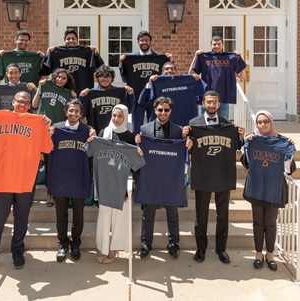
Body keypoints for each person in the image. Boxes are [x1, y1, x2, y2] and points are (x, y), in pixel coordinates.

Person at [0, 91, 52, 277]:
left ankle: (17, 251)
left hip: (25, 179)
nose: (23, 105)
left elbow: (47, 148)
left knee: (21, 219)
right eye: (20, 101)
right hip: (2, 179)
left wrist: (46, 127)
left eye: (26, 102)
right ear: (13, 102)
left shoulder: (36, 122)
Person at [183, 90, 245, 264]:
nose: (211, 105)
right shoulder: (193, 124)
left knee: (223, 215)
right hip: (202, 175)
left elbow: (237, 147)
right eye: (208, 102)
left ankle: (221, 249)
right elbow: (187, 149)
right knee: (200, 216)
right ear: (203, 103)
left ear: (219, 105)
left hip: (223, 175)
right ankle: (201, 249)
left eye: (214, 102)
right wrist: (185, 139)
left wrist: (240, 136)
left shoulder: (227, 125)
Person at [134, 96, 192, 259]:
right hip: (151, 178)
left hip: (170, 178)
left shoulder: (178, 130)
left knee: (172, 212)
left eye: (166, 110)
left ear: (170, 111)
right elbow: (138, 153)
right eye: (160, 110)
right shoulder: (144, 130)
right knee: (148, 212)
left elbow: (183, 153)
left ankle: (173, 243)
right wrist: (138, 145)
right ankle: (146, 243)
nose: (163, 113)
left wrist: (188, 146)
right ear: (154, 110)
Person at [242, 110, 296, 271]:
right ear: (256, 124)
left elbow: (289, 170)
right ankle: (258, 253)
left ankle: (270, 253)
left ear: (271, 122)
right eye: (259, 122)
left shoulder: (283, 142)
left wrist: (290, 151)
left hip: (274, 187)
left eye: (266, 121)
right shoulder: (252, 140)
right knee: (258, 222)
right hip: (256, 186)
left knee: (271, 222)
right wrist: (246, 144)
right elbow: (246, 163)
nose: (263, 125)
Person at [47, 99, 95, 262]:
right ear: (66, 112)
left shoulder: (88, 131)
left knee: (78, 215)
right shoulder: (56, 129)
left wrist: (93, 138)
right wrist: (47, 134)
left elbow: (93, 153)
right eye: (71, 111)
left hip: (79, 177)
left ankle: (75, 244)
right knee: (61, 214)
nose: (73, 114)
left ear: (81, 114)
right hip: (60, 177)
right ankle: (62, 244)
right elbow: (46, 149)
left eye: (77, 111)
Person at [92, 104, 136, 264]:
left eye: (120, 116)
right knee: (103, 217)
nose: (116, 119)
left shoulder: (130, 137)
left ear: (125, 117)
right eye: (114, 116)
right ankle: (101, 247)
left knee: (119, 218)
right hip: (105, 182)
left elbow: (133, 163)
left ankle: (113, 248)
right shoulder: (104, 132)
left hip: (121, 183)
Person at [32, 68, 77, 207]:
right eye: (58, 77)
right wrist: (39, 87)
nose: (60, 80)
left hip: (55, 131)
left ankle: (51, 194)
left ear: (67, 81)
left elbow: (74, 111)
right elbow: (34, 105)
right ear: (54, 77)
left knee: (51, 164)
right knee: (32, 162)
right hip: (40, 129)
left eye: (64, 78)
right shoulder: (44, 85)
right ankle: (27, 193)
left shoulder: (68, 93)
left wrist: (74, 97)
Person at [119, 30, 173, 133]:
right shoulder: (130, 59)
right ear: (138, 42)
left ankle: (152, 146)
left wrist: (170, 61)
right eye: (141, 40)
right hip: (137, 97)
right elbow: (124, 78)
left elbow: (168, 77)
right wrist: (122, 63)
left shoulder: (160, 58)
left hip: (154, 98)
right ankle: (137, 147)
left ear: (150, 41)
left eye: (146, 40)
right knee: (137, 127)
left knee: (154, 126)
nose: (144, 42)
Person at [191, 35, 247, 120]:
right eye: (214, 44)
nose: (216, 46)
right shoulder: (204, 57)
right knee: (202, 122)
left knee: (223, 123)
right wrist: (196, 56)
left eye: (218, 44)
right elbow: (190, 73)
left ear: (223, 45)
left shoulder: (230, 58)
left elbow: (243, 76)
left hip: (223, 97)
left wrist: (239, 58)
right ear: (211, 46)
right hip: (206, 95)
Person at [138, 61, 206, 126]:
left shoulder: (189, 81)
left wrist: (198, 81)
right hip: (163, 126)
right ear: (162, 72)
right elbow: (142, 101)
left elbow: (202, 99)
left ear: (176, 72)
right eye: (166, 69)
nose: (170, 71)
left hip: (186, 125)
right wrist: (150, 83)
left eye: (172, 68)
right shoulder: (157, 83)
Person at [39, 28, 104, 95]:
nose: (71, 40)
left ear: (77, 40)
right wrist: (46, 56)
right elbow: (44, 71)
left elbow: (101, 67)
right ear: (64, 41)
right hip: (62, 93)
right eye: (68, 39)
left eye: (73, 38)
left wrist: (96, 54)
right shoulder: (56, 52)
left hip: (83, 92)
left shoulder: (87, 52)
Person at [79, 64, 134, 134]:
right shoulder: (90, 93)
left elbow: (129, 109)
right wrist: (81, 97)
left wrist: (130, 95)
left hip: (115, 131)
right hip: (96, 131)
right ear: (97, 78)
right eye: (102, 76)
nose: (105, 79)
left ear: (112, 79)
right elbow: (80, 112)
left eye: (108, 77)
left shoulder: (119, 93)